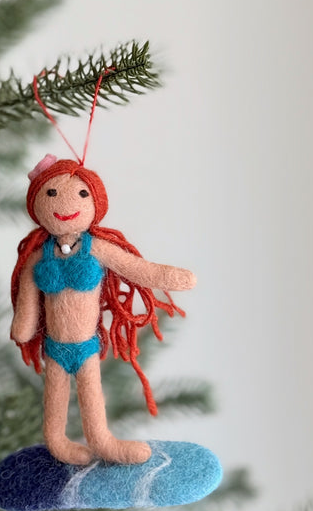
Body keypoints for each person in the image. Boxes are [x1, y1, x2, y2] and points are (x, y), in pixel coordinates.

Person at [11, 154, 195, 465]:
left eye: (82, 194)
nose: (65, 202)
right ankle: (59, 443)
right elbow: (27, 296)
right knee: (53, 411)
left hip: (86, 349)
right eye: (51, 193)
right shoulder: (37, 257)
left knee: (92, 401)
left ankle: (103, 442)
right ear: (37, 202)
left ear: (95, 202)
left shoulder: (96, 248)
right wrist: (24, 326)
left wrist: (172, 278)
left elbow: (137, 269)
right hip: (54, 348)